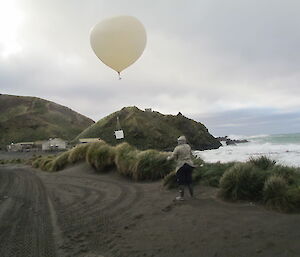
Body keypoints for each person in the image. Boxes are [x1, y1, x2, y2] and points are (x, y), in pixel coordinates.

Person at [167, 135, 195, 201]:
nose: (178, 142)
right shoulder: (188, 146)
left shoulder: (177, 148)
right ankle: (192, 195)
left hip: (181, 165)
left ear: (180, 141)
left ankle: (181, 197)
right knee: (189, 180)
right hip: (189, 164)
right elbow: (191, 154)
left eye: (179, 141)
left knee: (181, 182)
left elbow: (173, 156)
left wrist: (168, 158)